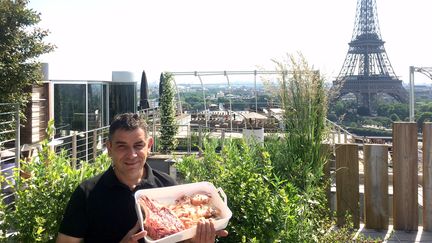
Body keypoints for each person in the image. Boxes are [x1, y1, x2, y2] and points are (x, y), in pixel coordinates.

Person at [56, 113, 228, 243]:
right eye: (122, 146)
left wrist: (194, 240)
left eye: (138, 145)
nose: (132, 155)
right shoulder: (86, 193)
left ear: (149, 145)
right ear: (109, 148)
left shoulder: (167, 187)